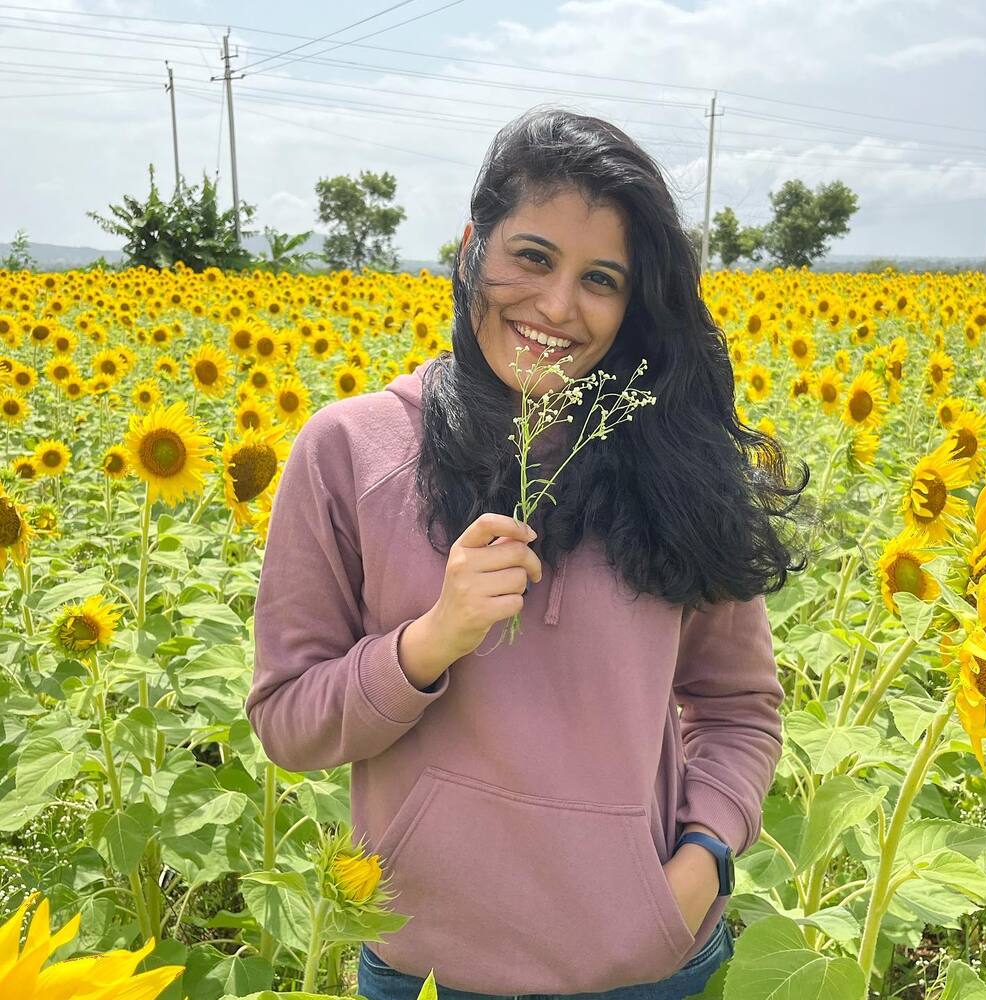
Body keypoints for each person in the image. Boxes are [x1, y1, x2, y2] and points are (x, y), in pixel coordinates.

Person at [246, 107, 809, 1000]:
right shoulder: (351, 451)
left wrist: (699, 864)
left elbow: (738, 708)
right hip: (428, 965)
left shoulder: (675, 461)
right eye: (534, 258)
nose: (556, 306)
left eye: (601, 280)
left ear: (633, 306)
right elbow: (287, 722)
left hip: (649, 964)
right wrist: (430, 640)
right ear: (474, 245)